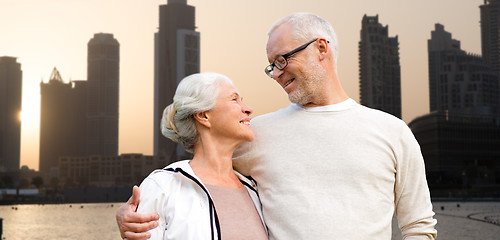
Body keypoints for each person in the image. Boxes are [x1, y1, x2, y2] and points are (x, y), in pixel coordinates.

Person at [117, 13, 437, 240]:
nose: (277, 74)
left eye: (282, 60)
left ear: (321, 49)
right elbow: (202, 172)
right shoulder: (255, 134)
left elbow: (419, 227)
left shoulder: (393, 132)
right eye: (272, 67)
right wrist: (130, 216)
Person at [120, 72, 268, 240]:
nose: (248, 109)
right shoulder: (163, 187)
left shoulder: (256, 190)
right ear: (204, 116)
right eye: (234, 100)